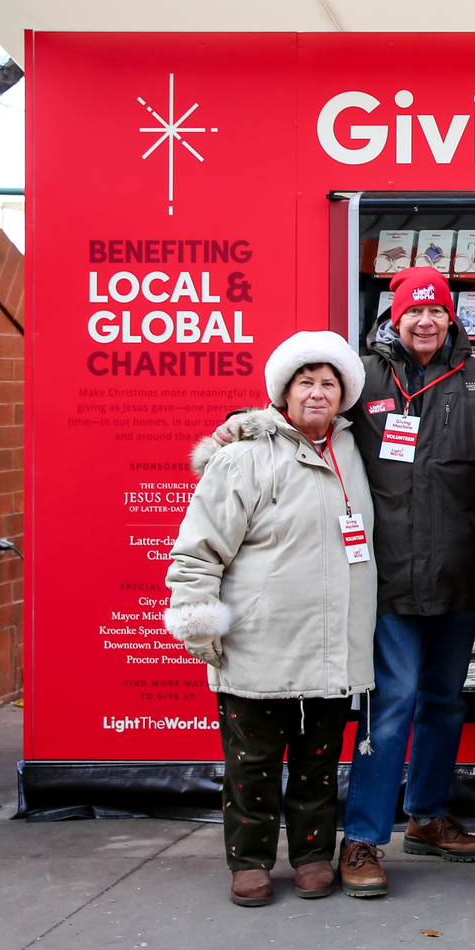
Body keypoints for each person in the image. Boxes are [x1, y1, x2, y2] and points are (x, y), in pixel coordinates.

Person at [209, 265, 475, 900]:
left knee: (445, 702)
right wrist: (239, 426)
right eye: (414, 312)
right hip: (386, 582)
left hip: (461, 579)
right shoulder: (362, 381)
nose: (425, 322)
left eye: (436, 311)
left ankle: (428, 816)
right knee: (392, 704)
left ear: (451, 318)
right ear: (395, 318)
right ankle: (364, 836)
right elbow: (299, 416)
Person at [164, 332, 377, 908]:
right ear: (283, 392)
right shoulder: (243, 456)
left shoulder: (358, 450)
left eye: (328, 383)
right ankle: (250, 861)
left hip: (332, 646)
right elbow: (198, 549)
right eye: (305, 382)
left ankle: (311, 856)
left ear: (343, 395)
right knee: (251, 765)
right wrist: (199, 623)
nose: (317, 393)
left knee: (318, 764)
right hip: (261, 644)